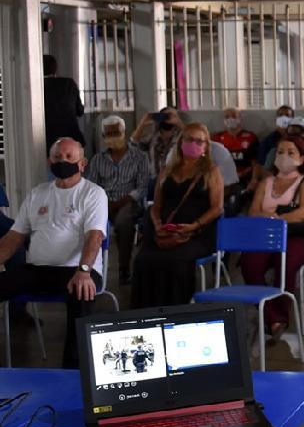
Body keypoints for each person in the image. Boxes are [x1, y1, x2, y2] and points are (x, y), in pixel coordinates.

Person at [0, 138, 106, 368]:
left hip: (78, 271)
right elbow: (14, 236)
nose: (63, 161)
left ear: (82, 163)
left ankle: (73, 373)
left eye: (69, 157)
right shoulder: (38, 193)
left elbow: (95, 236)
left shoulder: (93, 194)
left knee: (82, 294)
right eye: (58, 157)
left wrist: (84, 270)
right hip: (37, 270)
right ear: (50, 161)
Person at [131, 123, 224, 308]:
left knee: (175, 261)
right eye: (189, 139)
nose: (193, 143)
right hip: (165, 232)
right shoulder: (167, 171)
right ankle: (146, 312)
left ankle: (175, 312)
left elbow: (217, 208)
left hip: (197, 234)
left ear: (206, 146)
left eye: (199, 141)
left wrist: (194, 225)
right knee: (143, 260)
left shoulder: (211, 171)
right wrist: (157, 224)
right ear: (181, 142)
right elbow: (156, 205)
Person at [242, 137, 304, 341]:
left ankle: (279, 317)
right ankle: (271, 315)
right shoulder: (266, 183)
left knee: (284, 264)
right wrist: (272, 220)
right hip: (266, 236)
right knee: (250, 265)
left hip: (297, 237)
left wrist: (277, 219)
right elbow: (253, 212)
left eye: (290, 152)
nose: (284, 156)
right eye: (280, 152)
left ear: (302, 157)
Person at [85, 115, 150, 285]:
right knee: (85, 222)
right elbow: (92, 187)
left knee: (123, 222)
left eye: (116, 132)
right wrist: (104, 203)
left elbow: (142, 187)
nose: (113, 136)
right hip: (103, 203)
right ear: (103, 136)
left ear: (123, 132)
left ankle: (124, 268)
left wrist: (120, 202)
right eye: (109, 134)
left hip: (129, 203)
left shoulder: (140, 157)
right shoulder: (98, 159)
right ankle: (87, 269)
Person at [42, 54, 86, 153]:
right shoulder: (69, 83)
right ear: (55, 68)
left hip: (47, 142)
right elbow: (80, 111)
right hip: (73, 139)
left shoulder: (38, 87)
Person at [211, 107, 262, 190]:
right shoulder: (216, 138)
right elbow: (210, 162)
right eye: (227, 117)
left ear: (240, 119)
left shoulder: (251, 137)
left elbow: (256, 164)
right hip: (220, 179)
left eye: (234, 116)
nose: (230, 119)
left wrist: (253, 180)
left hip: (243, 179)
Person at [130, 106, 184, 180]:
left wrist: (178, 122)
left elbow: (190, 136)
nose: (168, 119)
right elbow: (133, 144)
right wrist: (142, 123)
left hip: (174, 180)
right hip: (154, 179)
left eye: (171, 116)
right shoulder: (152, 137)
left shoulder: (181, 137)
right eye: (165, 116)